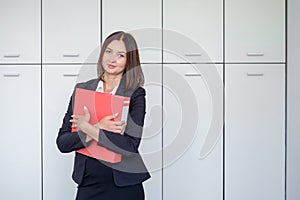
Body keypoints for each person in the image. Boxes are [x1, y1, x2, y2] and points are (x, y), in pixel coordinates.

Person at [56, 31, 150, 200]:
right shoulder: (82, 90)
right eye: (108, 51)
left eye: (120, 55)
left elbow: (129, 146)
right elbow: (62, 143)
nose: (112, 59)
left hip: (125, 185)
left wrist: (87, 128)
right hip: (89, 184)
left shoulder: (135, 94)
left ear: (130, 61)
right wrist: (98, 127)